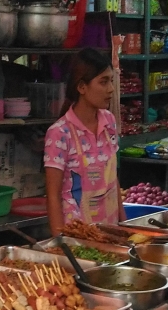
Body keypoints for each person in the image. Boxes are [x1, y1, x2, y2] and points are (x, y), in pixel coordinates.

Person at [44, 48, 124, 235]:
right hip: (77, 236)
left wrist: (125, 225)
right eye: (103, 82)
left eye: (111, 81)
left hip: (110, 230)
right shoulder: (59, 133)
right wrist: (61, 243)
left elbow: (113, 177)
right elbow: (53, 196)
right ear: (81, 87)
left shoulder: (109, 122)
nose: (111, 89)